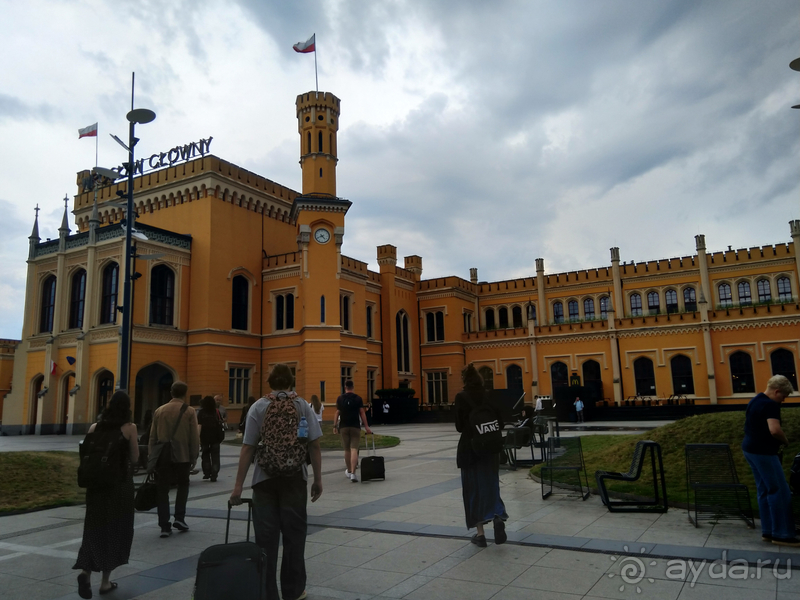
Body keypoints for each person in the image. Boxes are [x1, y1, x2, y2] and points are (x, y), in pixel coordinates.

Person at [230, 364, 323, 600]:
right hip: (294, 478)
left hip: (264, 479)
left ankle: (267, 591)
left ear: (270, 382)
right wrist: (317, 480)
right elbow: (314, 445)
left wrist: (238, 486)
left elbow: (248, 448)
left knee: (266, 540)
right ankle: (293, 591)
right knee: (294, 538)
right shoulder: (302, 406)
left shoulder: (259, 407)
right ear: (291, 382)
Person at [74, 390, 139, 598]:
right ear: (127, 407)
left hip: (95, 488)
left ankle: (85, 572)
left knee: (93, 530)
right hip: (118, 487)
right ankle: (104, 582)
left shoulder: (95, 427)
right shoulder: (129, 428)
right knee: (115, 531)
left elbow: (85, 454)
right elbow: (135, 457)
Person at [455, 364, 508, 547]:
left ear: (465, 380)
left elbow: (460, 427)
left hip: (470, 450)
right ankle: (497, 516)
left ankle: (480, 534)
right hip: (491, 448)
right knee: (491, 484)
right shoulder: (489, 395)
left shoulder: (461, 397)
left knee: (473, 490)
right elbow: (501, 423)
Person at [742, 375, 797, 546]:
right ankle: (782, 534)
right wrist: (785, 441)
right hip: (764, 452)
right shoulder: (771, 405)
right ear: (777, 391)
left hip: (749, 449)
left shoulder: (755, 400)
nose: (783, 400)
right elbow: (774, 430)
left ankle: (768, 530)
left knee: (764, 490)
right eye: (783, 396)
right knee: (779, 491)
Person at [149, 381, 199, 538]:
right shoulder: (189, 411)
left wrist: (152, 457)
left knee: (162, 489)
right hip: (182, 454)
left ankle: (164, 525)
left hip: (163, 455)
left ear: (171, 393)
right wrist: (194, 455)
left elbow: (152, 437)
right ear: (185, 393)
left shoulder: (159, 411)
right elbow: (194, 436)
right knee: (183, 485)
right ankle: (180, 517)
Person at [332, 380, 373, 482]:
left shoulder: (340, 398)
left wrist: (334, 426)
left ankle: (349, 471)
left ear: (345, 387)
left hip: (344, 426)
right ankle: (354, 473)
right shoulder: (358, 398)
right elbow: (362, 413)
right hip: (355, 426)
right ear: (353, 387)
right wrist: (366, 426)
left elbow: (337, 413)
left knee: (347, 449)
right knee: (354, 449)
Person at [197, 395, 223, 482]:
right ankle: (214, 473)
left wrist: (198, 437)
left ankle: (207, 472)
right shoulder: (216, 412)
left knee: (205, 455)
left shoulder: (201, 412)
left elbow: (199, 425)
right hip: (215, 438)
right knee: (215, 456)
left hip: (204, 438)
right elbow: (221, 422)